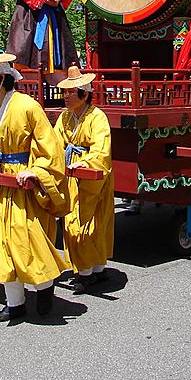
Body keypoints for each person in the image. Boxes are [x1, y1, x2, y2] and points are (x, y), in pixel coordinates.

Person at [0, 42, 70, 322]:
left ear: (1, 79)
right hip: (3, 184)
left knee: (28, 241)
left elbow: (50, 150)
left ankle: (44, 287)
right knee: (1, 241)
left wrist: (36, 171)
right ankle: (14, 302)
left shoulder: (29, 106)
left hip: (26, 186)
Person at [54, 66, 115, 294]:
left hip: (92, 179)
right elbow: (55, 142)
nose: (66, 96)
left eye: (71, 92)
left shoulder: (97, 117)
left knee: (93, 223)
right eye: (65, 92)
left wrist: (86, 162)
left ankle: (93, 270)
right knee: (72, 222)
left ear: (84, 93)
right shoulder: (64, 117)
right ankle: (86, 269)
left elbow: (101, 150)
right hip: (71, 174)